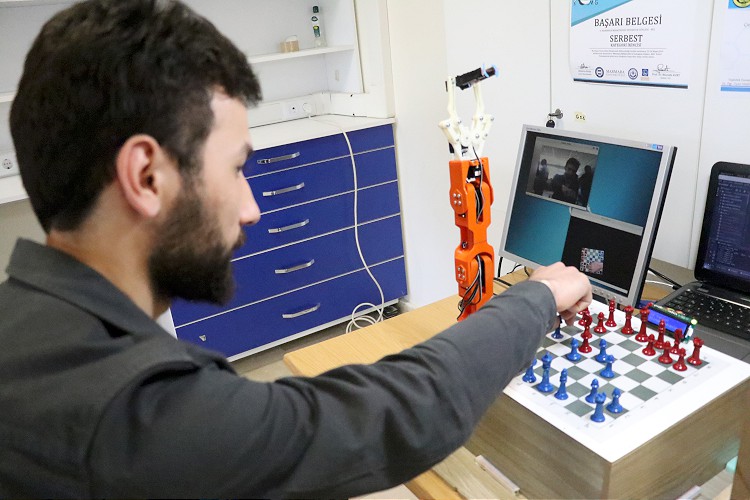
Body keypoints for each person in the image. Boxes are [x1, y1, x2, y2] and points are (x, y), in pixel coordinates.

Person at [0, 0, 593, 497]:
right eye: (236, 169)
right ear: (147, 177)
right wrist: (535, 296)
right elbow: (395, 413)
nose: (251, 208)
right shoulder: (140, 417)